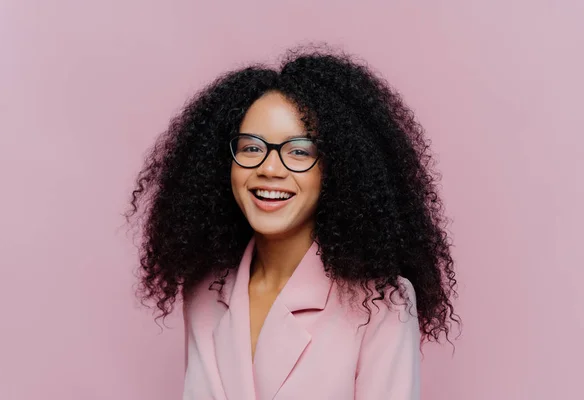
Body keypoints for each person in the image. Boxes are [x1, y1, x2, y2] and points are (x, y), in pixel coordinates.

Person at [126, 46, 459, 400]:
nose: (269, 168)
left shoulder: (381, 303)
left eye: (298, 151)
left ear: (337, 169)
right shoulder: (202, 291)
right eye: (252, 147)